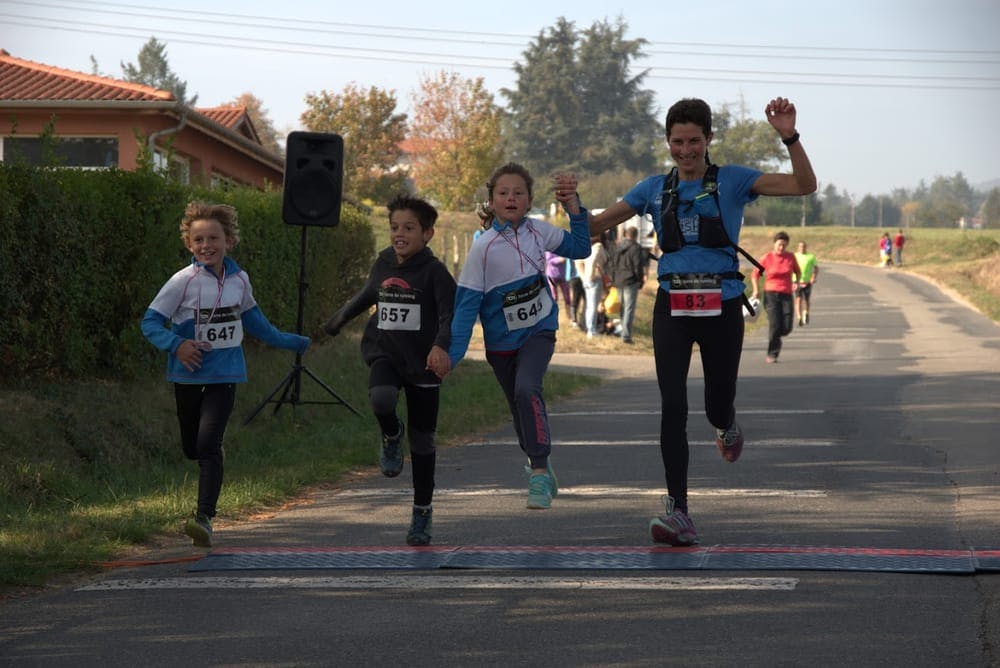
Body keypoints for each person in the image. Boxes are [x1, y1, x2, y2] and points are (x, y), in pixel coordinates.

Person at [579, 96, 816, 545]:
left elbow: (805, 185)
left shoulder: (734, 180)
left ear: (708, 140)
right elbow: (597, 225)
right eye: (676, 142)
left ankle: (727, 425)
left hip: (722, 306)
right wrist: (550, 217)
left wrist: (789, 135)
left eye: (693, 141)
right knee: (672, 408)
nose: (684, 150)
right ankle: (679, 511)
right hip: (672, 307)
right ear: (667, 142)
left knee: (714, 405)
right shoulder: (652, 188)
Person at [141, 201, 311, 548]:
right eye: (199, 239)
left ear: (229, 240)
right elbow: (150, 323)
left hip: (225, 374)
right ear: (189, 244)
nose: (207, 246)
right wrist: (177, 345)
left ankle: (204, 518)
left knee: (208, 445)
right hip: (187, 375)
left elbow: (258, 325)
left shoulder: (239, 280)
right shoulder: (181, 282)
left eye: (213, 238)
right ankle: (210, 459)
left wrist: (297, 342)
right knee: (193, 447)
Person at [444, 162, 590, 510]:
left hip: (540, 331)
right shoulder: (483, 248)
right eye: (503, 193)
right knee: (518, 409)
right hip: (501, 345)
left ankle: (538, 471)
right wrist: (452, 356)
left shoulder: (540, 232)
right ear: (491, 201)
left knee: (528, 388)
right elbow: (466, 307)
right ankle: (539, 462)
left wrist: (575, 210)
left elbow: (581, 248)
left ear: (529, 201)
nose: (511, 198)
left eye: (518, 193)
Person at [323, 195, 455, 546]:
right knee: (381, 399)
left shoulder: (435, 273)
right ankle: (391, 435)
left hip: (424, 363)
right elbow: (369, 294)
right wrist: (338, 320)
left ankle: (422, 512)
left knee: (424, 442)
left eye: (409, 228)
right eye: (395, 227)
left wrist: (440, 347)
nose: (400, 234)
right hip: (386, 352)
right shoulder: (383, 261)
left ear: (427, 233)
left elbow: (448, 316)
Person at [750, 231, 802, 362]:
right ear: (774, 244)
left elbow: (798, 271)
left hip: (786, 293)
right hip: (771, 294)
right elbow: (755, 274)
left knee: (786, 326)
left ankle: (777, 336)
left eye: (784, 245)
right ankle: (772, 353)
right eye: (779, 245)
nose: (781, 248)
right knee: (775, 324)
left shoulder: (790, 257)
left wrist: (797, 282)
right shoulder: (767, 257)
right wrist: (756, 290)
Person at [610, 225, 648, 343]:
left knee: (622, 308)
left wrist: (613, 279)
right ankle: (626, 336)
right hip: (630, 281)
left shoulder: (618, 246)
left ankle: (623, 331)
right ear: (636, 236)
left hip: (619, 280)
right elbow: (637, 266)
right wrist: (640, 280)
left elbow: (612, 264)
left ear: (626, 235)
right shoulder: (636, 248)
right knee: (629, 309)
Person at [580, 231, 609, 338]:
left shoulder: (589, 247)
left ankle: (590, 328)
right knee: (593, 306)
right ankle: (592, 331)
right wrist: (591, 275)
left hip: (587, 279)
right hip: (595, 278)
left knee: (589, 305)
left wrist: (585, 277)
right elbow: (593, 260)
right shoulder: (598, 246)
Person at [793, 240, 818, 326]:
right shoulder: (794, 256)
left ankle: (806, 313)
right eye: (800, 246)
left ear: (806, 247)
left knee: (806, 300)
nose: (802, 248)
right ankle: (799, 317)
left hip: (807, 281)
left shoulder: (811, 257)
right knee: (798, 299)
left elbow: (816, 268)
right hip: (796, 281)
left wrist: (813, 277)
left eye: (803, 246)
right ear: (798, 247)